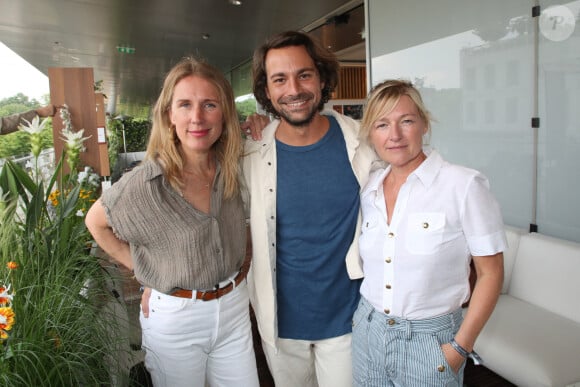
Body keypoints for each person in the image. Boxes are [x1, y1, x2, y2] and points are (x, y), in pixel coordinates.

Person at [85, 57, 259, 387]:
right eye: (185, 105)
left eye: (210, 104)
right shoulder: (147, 182)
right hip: (177, 319)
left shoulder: (233, 164)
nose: (197, 117)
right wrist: (144, 271)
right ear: (169, 115)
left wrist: (262, 122)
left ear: (224, 113)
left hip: (235, 306)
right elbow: (96, 223)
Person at [242, 30, 377, 387]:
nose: (294, 89)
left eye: (304, 74)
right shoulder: (250, 155)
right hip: (281, 326)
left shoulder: (364, 141)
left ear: (321, 77)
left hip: (349, 319)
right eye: (279, 79)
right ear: (267, 91)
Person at [352, 79, 506, 386]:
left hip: (430, 343)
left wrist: (460, 348)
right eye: (382, 124)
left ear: (424, 124)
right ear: (371, 133)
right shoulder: (369, 188)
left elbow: (490, 274)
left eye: (406, 121)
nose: (394, 135)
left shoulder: (463, 186)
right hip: (367, 332)